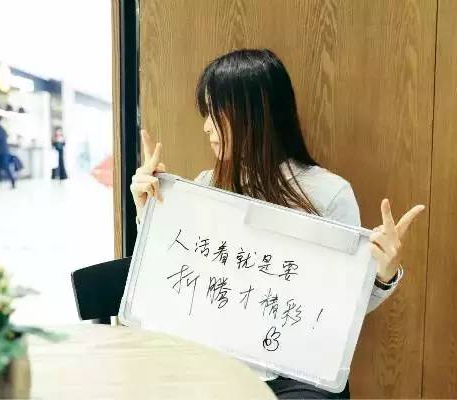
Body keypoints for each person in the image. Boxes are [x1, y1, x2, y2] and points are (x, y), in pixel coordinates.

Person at [130, 49, 425, 399]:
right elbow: (174, 276)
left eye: (214, 112)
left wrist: (382, 275)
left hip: (296, 375)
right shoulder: (207, 186)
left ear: (254, 114)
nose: (206, 126)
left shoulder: (327, 193)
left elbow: (343, 312)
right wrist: (149, 211)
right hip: (217, 362)